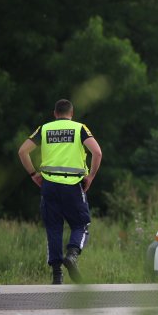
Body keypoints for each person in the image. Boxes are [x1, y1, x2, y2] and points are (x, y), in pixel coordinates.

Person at [18, 99, 102, 284]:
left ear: (55, 113)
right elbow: (97, 153)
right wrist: (91, 177)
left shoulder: (44, 129)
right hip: (73, 185)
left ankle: (57, 275)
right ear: (71, 114)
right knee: (81, 225)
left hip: (49, 185)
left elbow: (23, 151)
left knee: (53, 228)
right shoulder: (80, 129)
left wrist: (33, 174)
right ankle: (72, 255)